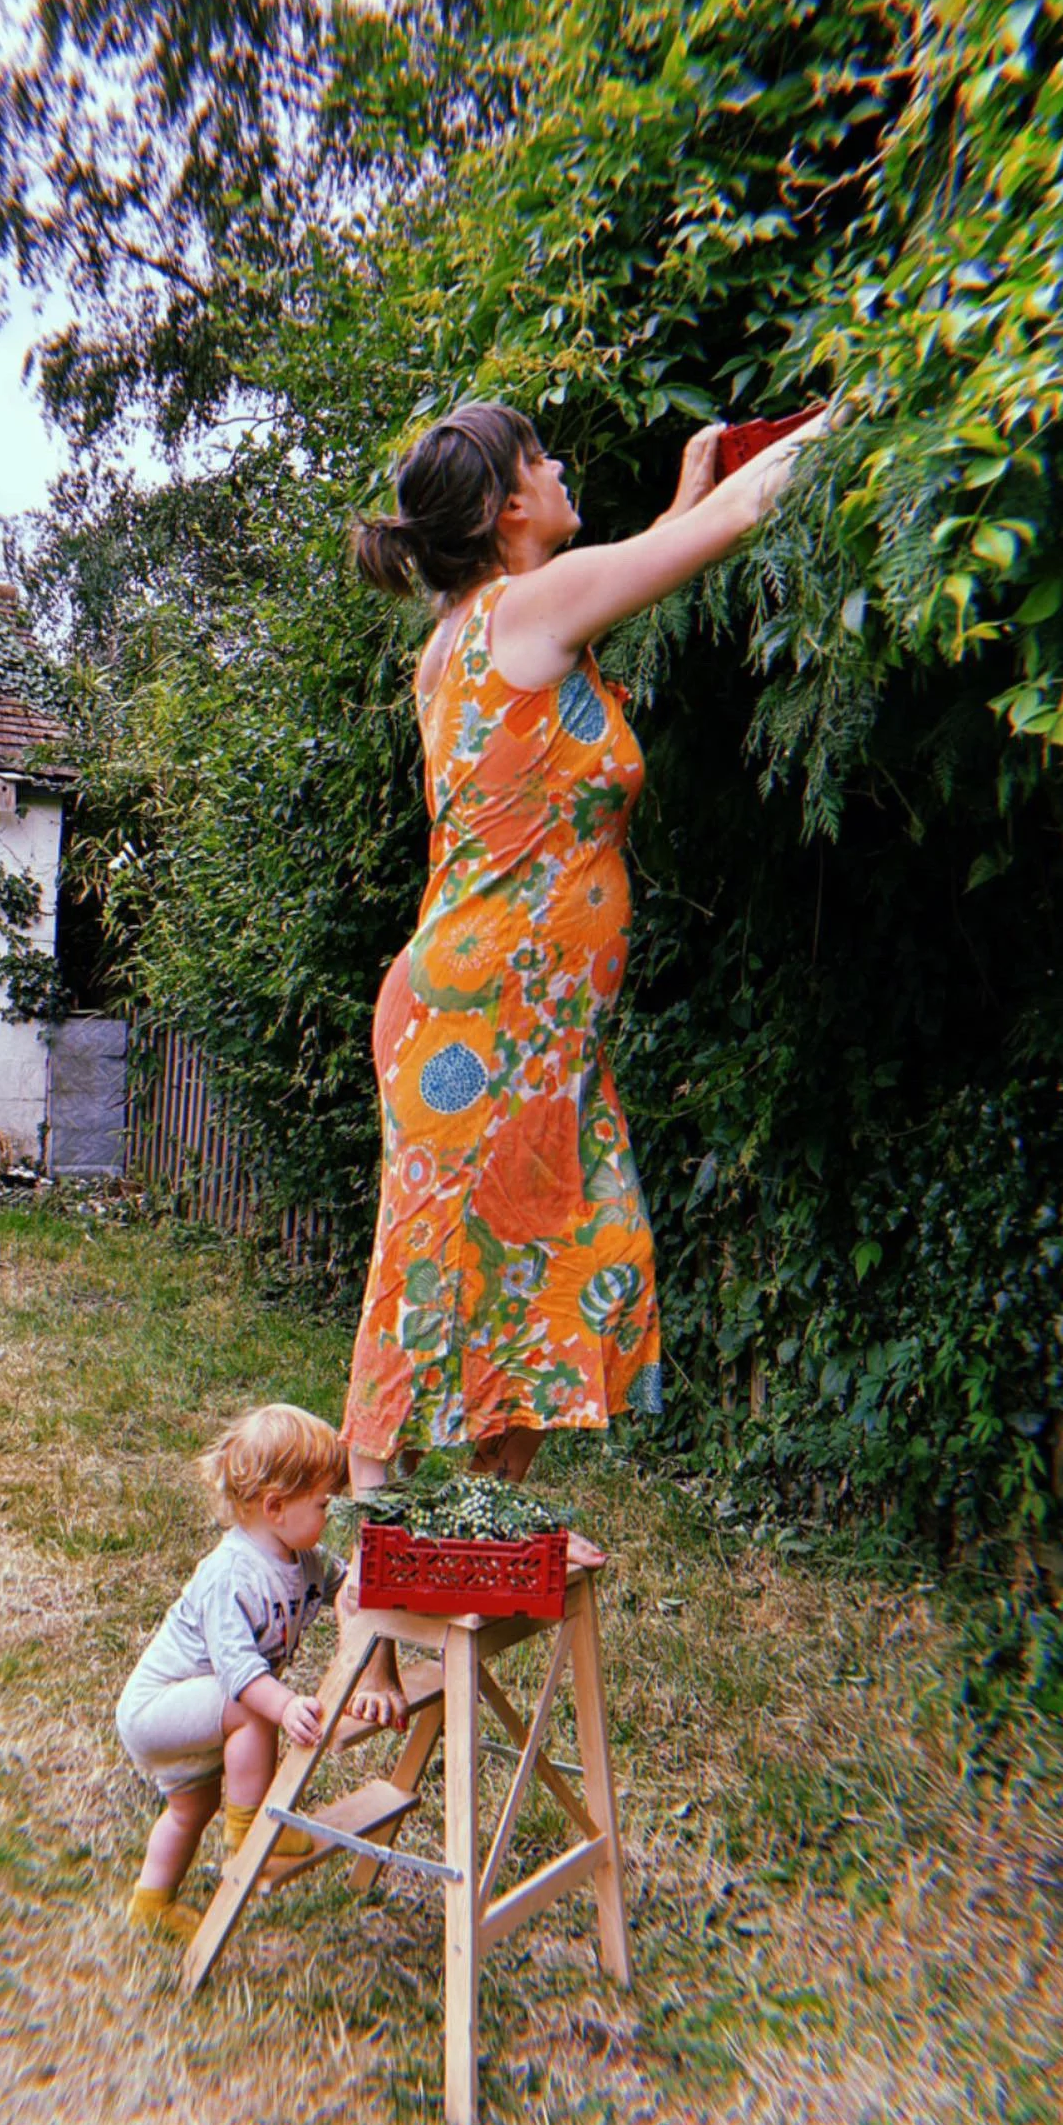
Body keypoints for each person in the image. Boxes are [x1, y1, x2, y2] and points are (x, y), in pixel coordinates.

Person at [342, 400, 829, 1526]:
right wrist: (862, 402)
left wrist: (683, 503)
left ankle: (462, 1540)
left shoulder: (483, 626)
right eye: (543, 459)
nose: (563, 471)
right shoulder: (528, 604)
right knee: (432, 1261)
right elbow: (754, 511)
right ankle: (373, 1564)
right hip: (479, 1022)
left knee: (566, 1245)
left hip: (515, 1020)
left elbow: (652, 567)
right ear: (512, 504)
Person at [115, 1401, 403, 1941]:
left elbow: (349, 1587)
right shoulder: (231, 1573)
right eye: (325, 1504)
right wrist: (287, 1705)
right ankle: (253, 1828)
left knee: (189, 1810)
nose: (334, 1515)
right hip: (158, 1706)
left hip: (198, 1711)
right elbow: (240, 1675)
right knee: (255, 1710)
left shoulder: (307, 1559)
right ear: (275, 1506)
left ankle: (151, 1903)